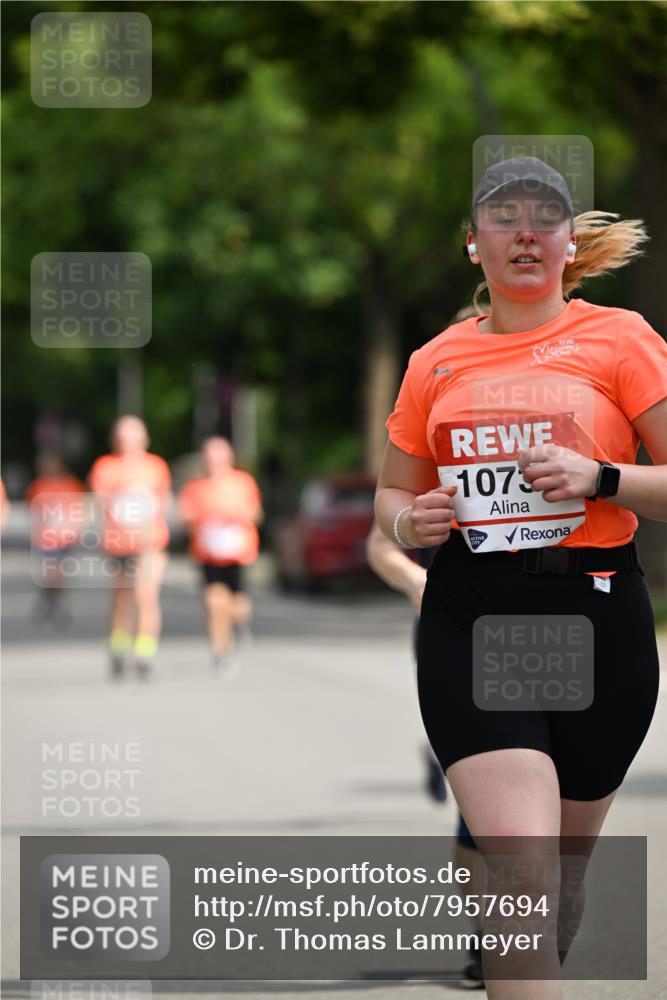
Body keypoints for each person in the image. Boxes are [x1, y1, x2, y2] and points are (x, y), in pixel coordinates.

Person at [375, 156, 667, 998]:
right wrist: (407, 521)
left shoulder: (622, 340)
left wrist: (601, 477)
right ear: (474, 244)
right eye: (504, 217)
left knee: (560, 881)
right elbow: (393, 493)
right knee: (521, 881)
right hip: (477, 611)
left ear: (571, 244)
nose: (525, 231)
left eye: (545, 216)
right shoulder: (436, 361)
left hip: (597, 610)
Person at [366, 519, 485, 990]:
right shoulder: (435, 447)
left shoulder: (568, 450)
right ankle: (488, 936)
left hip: (557, 628)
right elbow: (380, 542)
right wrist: (414, 578)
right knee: (481, 812)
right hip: (456, 627)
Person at [89, 415, 171, 679]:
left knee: (145, 595)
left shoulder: (156, 466)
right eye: (124, 435)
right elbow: (100, 499)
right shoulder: (106, 466)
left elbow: (163, 500)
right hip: (119, 542)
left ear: (144, 437)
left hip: (150, 541)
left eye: (134, 434)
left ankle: (145, 652)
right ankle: (118, 646)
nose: (129, 440)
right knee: (122, 598)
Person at [178, 436, 263, 677]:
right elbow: (185, 517)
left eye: (219, 457)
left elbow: (255, 513)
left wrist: (235, 515)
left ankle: (238, 625)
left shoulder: (242, 482)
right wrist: (201, 518)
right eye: (210, 458)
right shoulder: (195, 487)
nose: (214, 462)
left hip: (237, 554)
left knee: (237, 607)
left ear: (229, 459)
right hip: (208, 555)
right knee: (215, 603)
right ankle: (221, 653)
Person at [26, 452, 86, 623]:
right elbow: (33, 511)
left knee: (60, 573)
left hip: (65, 538)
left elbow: (78, 511)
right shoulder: (38, 486)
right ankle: (53, 601)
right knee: (50, 573)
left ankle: (54, 602)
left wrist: (77, 531)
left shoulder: (71, 485)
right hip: (46, 538)